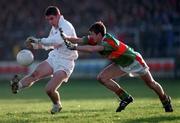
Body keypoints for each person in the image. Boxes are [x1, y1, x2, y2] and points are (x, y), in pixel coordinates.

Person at [64, 21, 173, 112]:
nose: (90, 37)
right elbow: (79, 40)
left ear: (99, 34)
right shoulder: (95, 38)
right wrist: (65, 37)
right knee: (102, 78)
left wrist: (74, 48)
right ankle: (125, 97)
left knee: (151, 84)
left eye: (92, 34)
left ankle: (165, 100)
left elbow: (92, 49)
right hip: (121, 63)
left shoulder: (109, 42)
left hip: (134, 61)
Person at [10, 6, 78, 114]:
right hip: (54, 57)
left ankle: (57, 104)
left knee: (49, 89)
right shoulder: (54, 28)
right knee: (34, 74)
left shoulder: (66, 26)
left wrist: (38, 40)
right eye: (48, 20)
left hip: (66, 62)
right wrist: (35, 46)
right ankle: (17, 86)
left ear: (58, 16)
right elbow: (51, 44)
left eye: (52, 18)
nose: (50, 22)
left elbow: (57, 40)